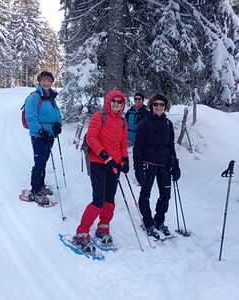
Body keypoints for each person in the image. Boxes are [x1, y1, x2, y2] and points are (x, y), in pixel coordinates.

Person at [72, 89, 129, 253]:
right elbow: (91, 138)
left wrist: (125, 159)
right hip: (98, 162)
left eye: (120, 102)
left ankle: (103, 227)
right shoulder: (99, 116)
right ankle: (82, 232)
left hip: (114, 165)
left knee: (109, 199)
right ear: (108, 102)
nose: (117, 105)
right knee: (98, 199)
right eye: (114, 102)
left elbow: (123, 143)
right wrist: (105, 155)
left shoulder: (122, 122)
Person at [133, 95, 180, 240]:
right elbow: (137, 148)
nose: (159, 107)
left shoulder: (168, 124)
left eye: (162, 104)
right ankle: (148, 223)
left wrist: (175, 165)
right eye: (156, 104)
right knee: (145, 195)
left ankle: (159, 221)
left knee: (165, 195)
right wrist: (138, 168)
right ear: (152, 106)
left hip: (164, 165)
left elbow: (171, 146)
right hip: (149, 164)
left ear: (165, 107)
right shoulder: (144, 123)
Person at [24, 71, 62, 205]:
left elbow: (57, 114)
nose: (46, 82)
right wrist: (40, 131)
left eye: (49, 80)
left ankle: (40, 186)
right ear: (39, 82)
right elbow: (31, 118)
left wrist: (58, 124)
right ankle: (35, 190)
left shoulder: (51, 97)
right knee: (39, 161)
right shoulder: (34, 97)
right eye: (44, 80)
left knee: (44, 160)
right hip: (38, 135)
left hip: (50, 134)